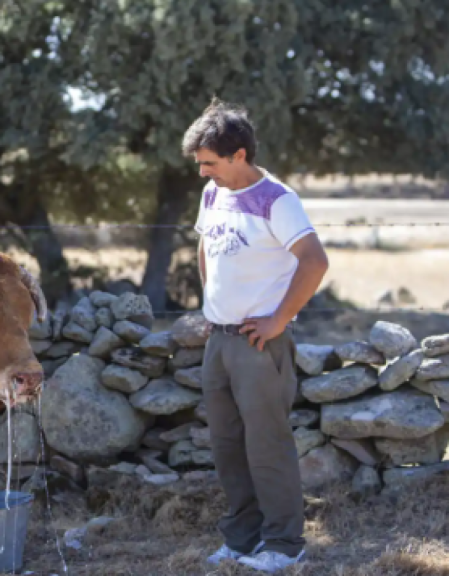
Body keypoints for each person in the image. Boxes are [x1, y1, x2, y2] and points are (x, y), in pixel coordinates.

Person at [183, 98, 329, 573]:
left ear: (239, 154)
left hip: (259, 344)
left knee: (266, 446)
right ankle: (242, 541)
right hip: (219, 341)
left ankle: (285, 546)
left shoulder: (278, 200)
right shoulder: (213, 195)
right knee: (227, 446)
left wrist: (279, 320)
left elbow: (315, 261)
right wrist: (211, 303)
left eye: (210, 163)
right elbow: (206, 247)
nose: (204, 173)